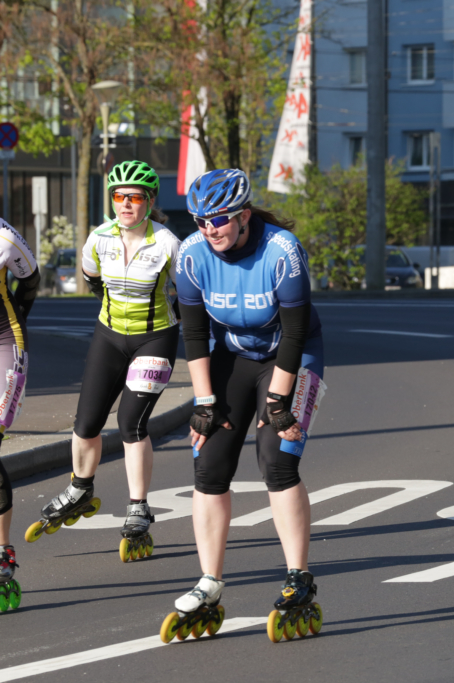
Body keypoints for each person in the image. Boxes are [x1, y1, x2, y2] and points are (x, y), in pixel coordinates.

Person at [159, 168, 325, 645]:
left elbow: (295, 332)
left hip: (291, 354)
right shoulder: (192, 255)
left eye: (219, 219)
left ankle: (298, 576)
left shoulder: (282, 251)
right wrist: (204, 402)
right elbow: (194, 334)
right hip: (232, 354)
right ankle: (209, 582)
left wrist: (278, 401)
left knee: (277, 457)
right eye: (200, 220)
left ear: (244, 215)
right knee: (208, 461)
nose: (209, 229)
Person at [25, 161, 179, 565]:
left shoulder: (168, 243)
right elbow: (92, 279)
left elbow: (189, 294)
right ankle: (80, 487)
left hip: (155, 338)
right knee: (86, 422)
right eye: (118, 196)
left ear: (149, 202)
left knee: (131, 423)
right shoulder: (99, 238)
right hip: (109, 335)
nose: (126, 204)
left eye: (135, 197)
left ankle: (138, 506)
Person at [0, 218, 39, 612]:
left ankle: (1, 553)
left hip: (4, 344)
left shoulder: (3, 237)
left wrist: (21, 317)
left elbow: (30, 281)